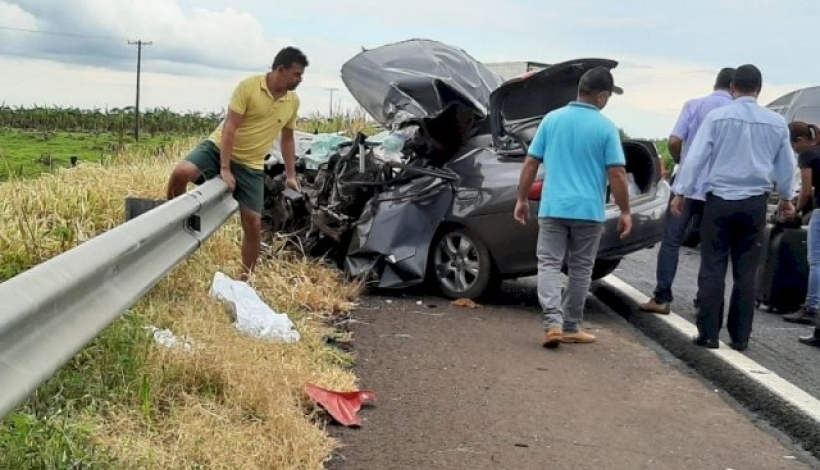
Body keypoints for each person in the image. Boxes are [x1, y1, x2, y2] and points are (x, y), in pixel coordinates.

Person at [671, 64, 796, 351]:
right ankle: (740, 337)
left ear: (733, 88)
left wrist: (681, 192)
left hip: (719, 200)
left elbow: (696, 158)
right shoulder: (775, 123)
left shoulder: (717, 117)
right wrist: (787, 199)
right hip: (755, 202)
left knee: (712, 265)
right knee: (746, 269)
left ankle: (708, 333)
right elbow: (786, 167)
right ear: (759, 90)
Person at [166, 47, 308, 282]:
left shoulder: (292, 101)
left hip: (251, 164)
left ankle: (246, 279)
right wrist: (224, 168)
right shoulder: (248, 88)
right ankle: (175, 222)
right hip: (218, 149)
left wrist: (291, 175)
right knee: (181, 173)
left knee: (253, 222)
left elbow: (288, 137)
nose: (299, 79)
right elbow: (230, 127)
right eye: (296, 74)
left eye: (301, 75)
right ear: (280, 70)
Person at [514, 66, 632, 349]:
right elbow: (616, 173)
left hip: (553, 207)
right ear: (601, 97)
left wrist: (521, 199)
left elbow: (531, 163)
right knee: (580, 268)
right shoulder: (606, 128)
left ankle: (552, 323)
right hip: (588, 212)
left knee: (549, 264)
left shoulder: (552, 120)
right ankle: (570, 326)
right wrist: (625, 211)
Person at [640, 68, 735, 315]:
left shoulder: (694, 105)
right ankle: (704, 302)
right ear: (734, 87)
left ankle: (662, 298)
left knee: (671, 241)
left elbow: (673, 140)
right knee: (713, 249)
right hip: (718, 191)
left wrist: (681, 160)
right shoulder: (734, 114)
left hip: (686, 186)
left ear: (716, 83)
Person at [784, 121, 820, 347]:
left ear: (799, 140)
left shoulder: (807, 155)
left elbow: (806, 191)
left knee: (816, 260)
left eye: (792, 144)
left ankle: (811, 307)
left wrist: (795, 210)